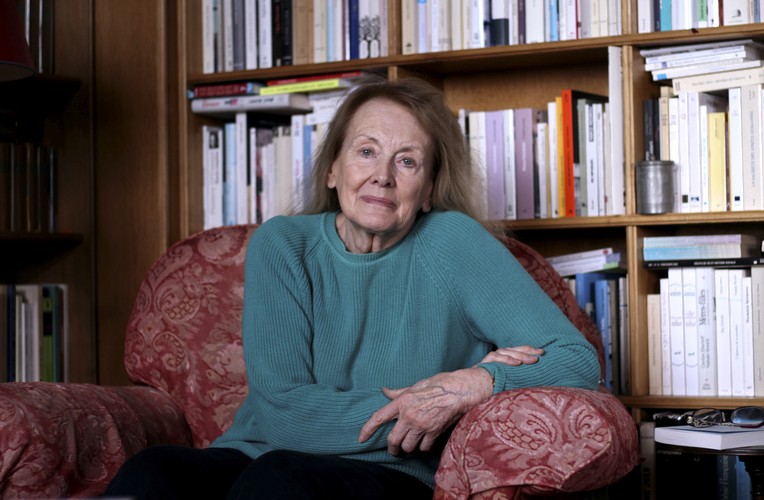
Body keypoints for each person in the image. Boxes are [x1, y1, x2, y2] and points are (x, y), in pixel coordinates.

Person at [105, 76, 600, 499]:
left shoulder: (453, 242)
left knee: (280, 480)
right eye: (366, 152)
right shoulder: (284, 244)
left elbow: (576, 360)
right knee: (153, 472)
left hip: (393, 471)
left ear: (429, 189)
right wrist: (420, 408)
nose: (382, 176)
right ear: (332, 169)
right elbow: (282, 414)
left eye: (407, 161)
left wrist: (474, 384)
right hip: (255, 452)